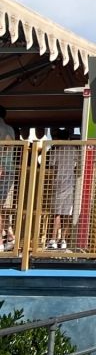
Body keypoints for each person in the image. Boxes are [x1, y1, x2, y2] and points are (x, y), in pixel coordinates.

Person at [47, 130, 77, 250]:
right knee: (67, 213)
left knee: (56, 213)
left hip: (58, 183)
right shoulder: (74, 150)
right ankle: (63, 239)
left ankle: (53, 239)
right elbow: (79, 164)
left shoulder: (56, 150)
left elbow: (52, 168)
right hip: (71, 184)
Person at [0, 105, 16, 252]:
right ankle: (10, 236)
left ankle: (0, 242)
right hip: (10, 171)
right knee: (1, 206)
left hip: (2, 170)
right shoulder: (9, 128)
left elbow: (6, 147)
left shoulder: (1, 127)